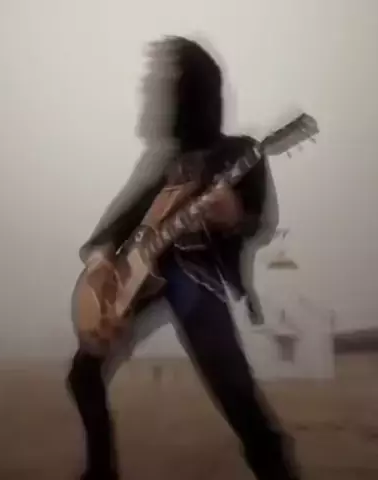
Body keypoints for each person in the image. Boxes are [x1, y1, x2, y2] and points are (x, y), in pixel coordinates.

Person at [67, 36, 300, 480]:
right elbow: (120, 223)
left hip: (195, 278)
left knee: (235, 393)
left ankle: (276, 468)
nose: (155, 96)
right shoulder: (165, 163)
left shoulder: (241, 152)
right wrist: (101, 259)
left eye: (166, 85)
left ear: (191, 91)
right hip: (142, 276)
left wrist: (234, 216)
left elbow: (259, 222)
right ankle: (100, 473)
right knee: (82, 375)